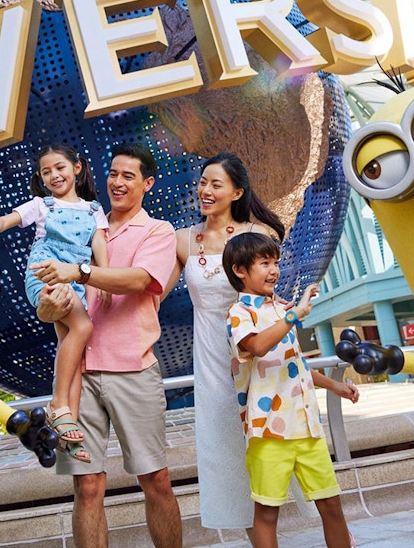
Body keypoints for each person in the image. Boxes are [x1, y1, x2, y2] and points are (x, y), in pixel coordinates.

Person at [33, 143, 182, 548]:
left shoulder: (158, 231)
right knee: (87, 487)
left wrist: (80, 271)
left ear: (147, 184)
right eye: (113, 173)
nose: (117, 182)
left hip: (132, 370)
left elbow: (138, 281)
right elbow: (53, 308)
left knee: (156, 480)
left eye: (128, 176)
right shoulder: (76, 223)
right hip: (79, 376)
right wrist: (48, 305)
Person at [170, 152, 300, 539]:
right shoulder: (182, 240)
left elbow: (270, 297)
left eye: (215, 184)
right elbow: (152, 288)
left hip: (257, 355)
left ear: (237, 191)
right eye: (202, 182)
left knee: (279, 443)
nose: (204, 190)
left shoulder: (259, 233)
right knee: (227, 452)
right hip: (211, 361)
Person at [223, 232, 359, 548]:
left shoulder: (281, 309)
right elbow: (256, 345)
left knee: (332, 507)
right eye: (264, 263)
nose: (274, 270)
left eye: (275, 262)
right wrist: (292, 315)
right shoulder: (239, 313)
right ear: (240, 270)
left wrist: (334, 385)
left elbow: (295, 365)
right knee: (268, 514)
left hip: (307, 427)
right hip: (267, 430)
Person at [0, 143, 108, 463]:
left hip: (76, 285)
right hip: (45, 277)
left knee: (73, 356)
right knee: (83, 327)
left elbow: (100, 251)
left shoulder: (94, 210)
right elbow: (14, 217)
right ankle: (58, 405)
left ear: (76, 168)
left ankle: (67, 433)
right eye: (46, 171)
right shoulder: (43, 205)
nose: (54, 175)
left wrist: (101, 285)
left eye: (60, 168)